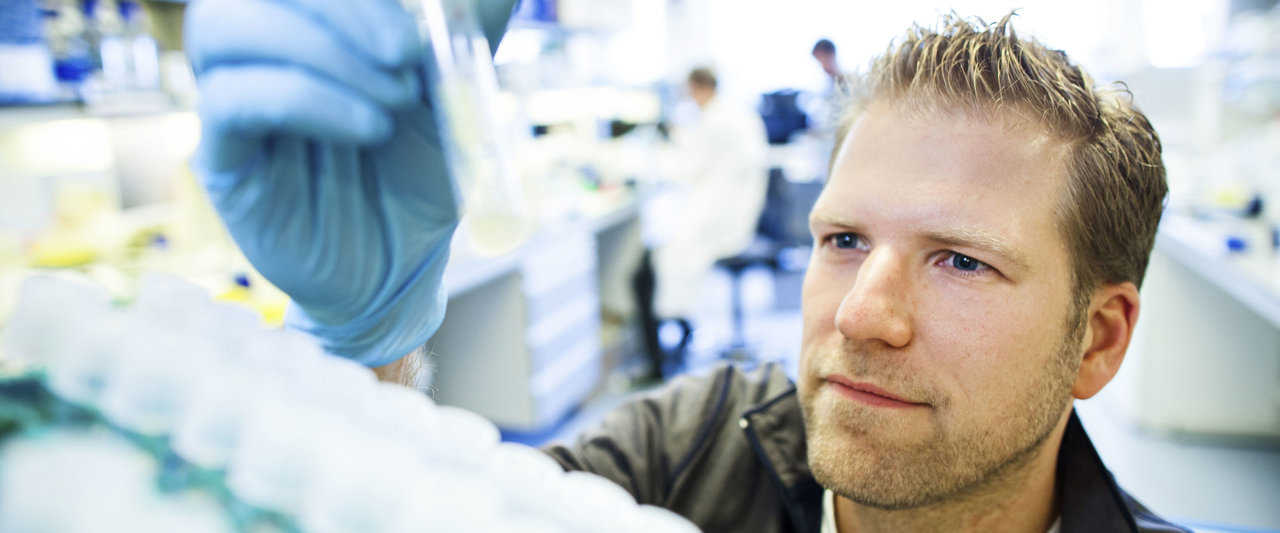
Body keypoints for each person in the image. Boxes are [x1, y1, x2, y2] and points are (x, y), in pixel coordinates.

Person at [185, 1, 1187, 532]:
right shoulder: (693, 451)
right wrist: (365, 352)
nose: (861, 317)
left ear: (1094, 339)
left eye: (960, 261)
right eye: (842, 240)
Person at [634, 66, 770, 379]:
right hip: (737, 216)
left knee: (656, 265)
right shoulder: (736, 114)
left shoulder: (715, 121)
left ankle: (666, 352)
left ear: (697, 87)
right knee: (664, 260)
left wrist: (662, 146)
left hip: (718, 221)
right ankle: (683, 332)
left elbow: (684, 169)